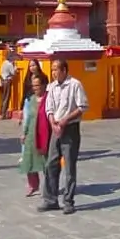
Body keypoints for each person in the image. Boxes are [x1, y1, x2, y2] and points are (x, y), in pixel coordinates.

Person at [41, 59, 88, 215]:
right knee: (51, 164)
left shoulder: (75, 84)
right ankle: (50, 199)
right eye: (52, 69)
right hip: (56, 128)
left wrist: (65, 119)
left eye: (56, 69)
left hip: (70, 128)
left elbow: (82, 106)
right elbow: (49, 107)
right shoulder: (52, 86)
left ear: (64, 70)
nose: (54, 73)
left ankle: (68, 201)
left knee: (69, 166)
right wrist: (53, 122)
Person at [18, 72, 52, 197]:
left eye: (37, 85)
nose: (35, 88)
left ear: (43, 85)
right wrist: (24, 133)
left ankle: (49, 186)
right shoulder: (31, 99)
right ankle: (33, 185)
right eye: (33, 86)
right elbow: (28, 118)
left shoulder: (49, 99)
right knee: (29, 160)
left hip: (44, 134)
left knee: (45, 162)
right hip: (31, 133)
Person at [0, 49, 19, 120]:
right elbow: (13, 73)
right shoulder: (10, 64)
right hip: (6, 81)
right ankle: (3, 115)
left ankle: (0, 113)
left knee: (1, 98)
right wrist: (15, 66)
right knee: (6, 98)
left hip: (1, 81)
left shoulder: (4, 63)